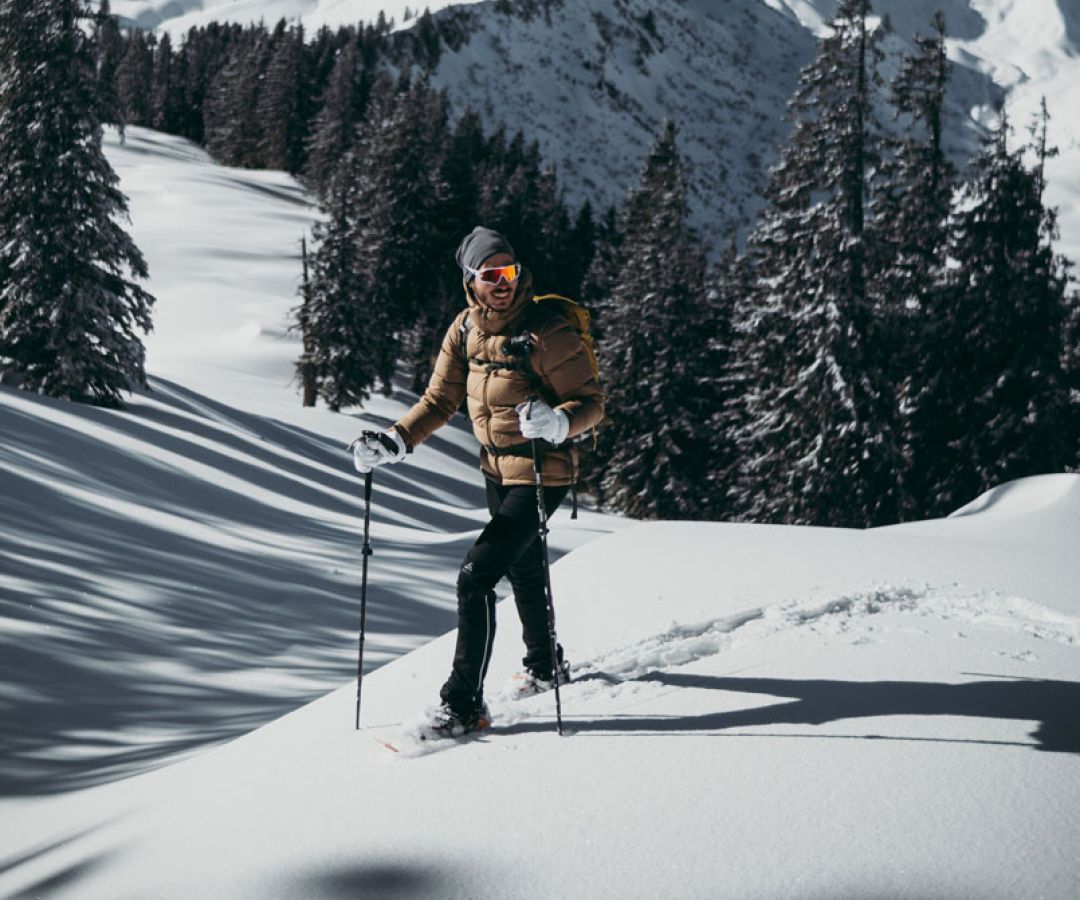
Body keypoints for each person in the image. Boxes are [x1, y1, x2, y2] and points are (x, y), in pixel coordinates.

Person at [351, 226, 605, 736]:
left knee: (477, 576)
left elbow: (591, 403)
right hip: (495, 469)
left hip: (541, 471)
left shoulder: (546, 331)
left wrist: (559, 422)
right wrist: (395, 442)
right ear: (471, 280)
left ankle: (462, 703)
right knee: (526, 566)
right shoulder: (464, 330)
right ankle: (544, 664)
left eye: (509, 271)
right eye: (491, 274)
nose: (503, 282)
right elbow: (440, 400)